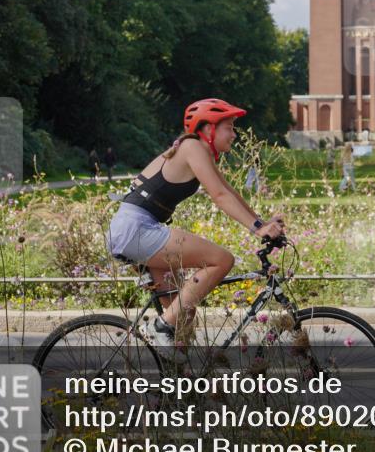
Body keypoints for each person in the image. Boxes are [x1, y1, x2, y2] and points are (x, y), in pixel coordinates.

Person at [107, 99, 285, 351]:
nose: (234, 134)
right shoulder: (192, 147)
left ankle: (178, 383)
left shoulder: (199, 151)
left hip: (135, 230)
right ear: (209, 129)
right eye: (230, 127)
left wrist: (261, 222)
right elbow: (219, 196)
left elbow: (228, 191)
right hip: (137, 229)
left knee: (184, 320)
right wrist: (257, 229)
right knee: (221, 260)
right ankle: (158, 328)